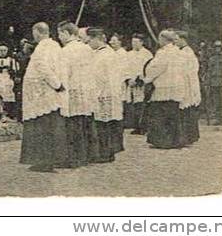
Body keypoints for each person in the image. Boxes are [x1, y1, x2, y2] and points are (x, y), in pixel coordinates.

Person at [19, 22, 67, 172]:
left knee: (41, 127)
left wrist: (56, 84)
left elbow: (43, 67)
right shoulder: (54, 45)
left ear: (37, 32)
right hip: (47, 93)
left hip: (41, 95)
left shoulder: (43, 47)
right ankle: (47, 161)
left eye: (34, 32)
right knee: (49, 126)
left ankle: (43, 161)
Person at [57, 21, 95, 168]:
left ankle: (73, 158)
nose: (59, 37)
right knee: (84, 123)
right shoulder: (87, 49)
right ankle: (85, 156)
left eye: (60, 33)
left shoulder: (66, 51)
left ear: (67, 33)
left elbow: (64, 73)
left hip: (72, 90)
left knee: (72, 125)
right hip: (86, 90)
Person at [143, 29, 186, 149]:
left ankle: (162, 141)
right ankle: (175, 140)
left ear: (163, 39)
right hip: (177, 85)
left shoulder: (163, 52)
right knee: (173, 114)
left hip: (164, 86)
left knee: (160, 114)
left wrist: (147, 79)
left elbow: (156, 68)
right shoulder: (178, 51)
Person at [87, 28, 125, 163]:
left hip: (104, 92)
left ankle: (104, 153)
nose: (89, 43)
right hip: (111, 91)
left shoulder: (104, 55)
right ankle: (108, 152)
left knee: (103, 124)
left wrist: (94, 93)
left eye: (90, 40)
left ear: (97, 39)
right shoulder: (108, 53)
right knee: (107, 123)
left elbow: (98, 77)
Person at [175, 30, 201, 146]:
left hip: (187, 82)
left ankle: (187, 137)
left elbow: (188, 70)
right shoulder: (182, 51)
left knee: (186, 110)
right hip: (184, 81)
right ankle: (189, 136)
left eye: (176, 39)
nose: (175, 42)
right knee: (185, 110)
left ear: (182, 39)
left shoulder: (187, 52)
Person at [124, 33, 153, 133]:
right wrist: (128, 79)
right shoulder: (128, 54)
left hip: (141, 81)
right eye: (132, 42)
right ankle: (135, 124)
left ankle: (142, 126)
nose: (134, 44)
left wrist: (138, 79)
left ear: (142, 42)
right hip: (131, 81)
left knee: (141, 103)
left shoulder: (147, 54)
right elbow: (125, 68)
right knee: (133, 103)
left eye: (136, 42)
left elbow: (147, 68)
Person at [0, 43, 20, 121]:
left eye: (4, 50)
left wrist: (10, 70)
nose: (2, 52)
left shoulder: (11, 60)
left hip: (7, 79)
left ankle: (8, 113)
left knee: (8, 94)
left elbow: (15, 71)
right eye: (1, 50)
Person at [203, 41, 222, 125]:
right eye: (216, 47)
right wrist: (207, 82)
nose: (217, 49)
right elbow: (209, 71)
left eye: (219, 47)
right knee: (215, 100)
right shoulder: (212, 59)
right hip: (213, 82)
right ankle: (216, 117)